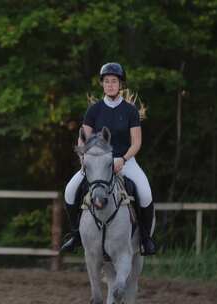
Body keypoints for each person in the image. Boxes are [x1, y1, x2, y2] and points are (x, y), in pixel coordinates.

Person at [60, 62, 156, 256]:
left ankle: (146, 239)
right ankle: (76, 234)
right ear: (102, 84)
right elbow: (83, 137)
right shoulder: (94, 110)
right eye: (107, 81)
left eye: (114, 81)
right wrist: (83, 157)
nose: (110, 84)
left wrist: (123, 159)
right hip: (96, 164)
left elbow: (136, 142)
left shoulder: (129, 111)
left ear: (120, 84)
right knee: (70, 190)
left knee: (145, 193)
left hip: (125, 162)